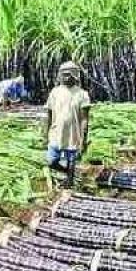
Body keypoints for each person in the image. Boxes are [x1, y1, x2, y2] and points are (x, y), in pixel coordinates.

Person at [43, 61, 91, 189]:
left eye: (69, 74)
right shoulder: (55, 92)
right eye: (63, 74)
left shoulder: (82, 94)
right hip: (56, 132)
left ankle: (69, 181)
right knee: (51, 161)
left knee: (71, 161)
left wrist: (83, 139)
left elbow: (84, 119)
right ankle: (67, 173)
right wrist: (45, 134)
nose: (66, 77)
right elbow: (49, 114)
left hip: (73, 134)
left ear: (75, 75)